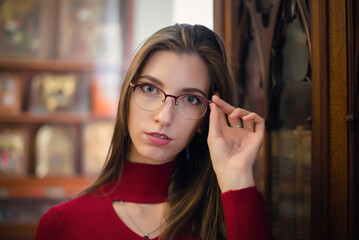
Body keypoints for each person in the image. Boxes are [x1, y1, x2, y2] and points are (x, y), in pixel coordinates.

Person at [35, 24, 271, 240]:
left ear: (207, 117)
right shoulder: (63, 224)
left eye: (190, 99)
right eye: (150, 89)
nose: (164, 117)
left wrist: (236, 176)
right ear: (127, 97)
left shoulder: (239, 208)